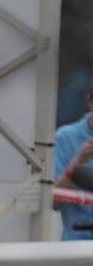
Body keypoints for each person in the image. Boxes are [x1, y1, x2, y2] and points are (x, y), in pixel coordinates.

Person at [51, 78, 93, 240]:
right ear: (89, 101)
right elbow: (53, 203)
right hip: (76, 248)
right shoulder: (64, 137)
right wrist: (77, 162)